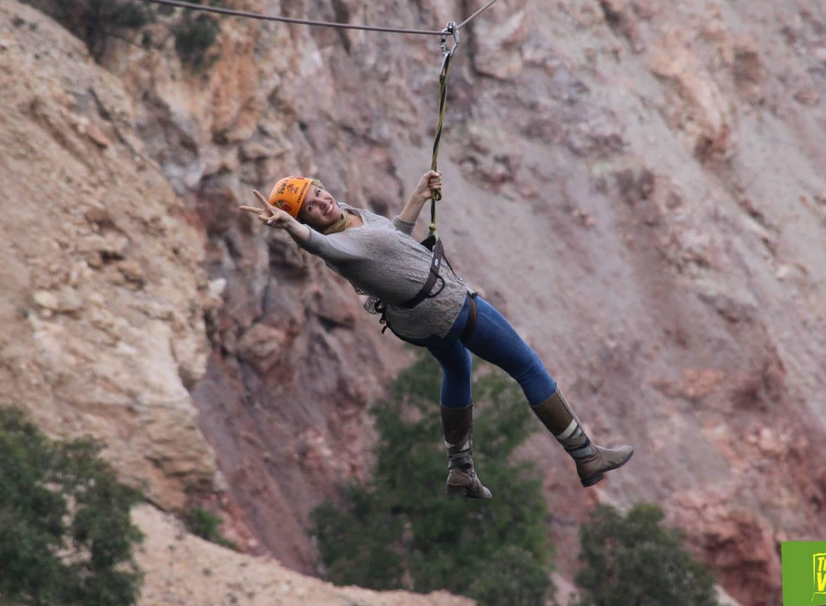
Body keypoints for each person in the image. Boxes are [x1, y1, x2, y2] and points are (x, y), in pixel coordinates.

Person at [239, 171, 633, 499]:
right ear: (307, 221)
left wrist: (418, 195)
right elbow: (317, 245)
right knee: (526, 367)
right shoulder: (335, 245)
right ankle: (586, 455)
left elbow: (392, 238)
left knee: (458, 370)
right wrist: (290, 226)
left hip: (417, 320)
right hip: (445, 304)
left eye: (318, 193)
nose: (323, 202)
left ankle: (461, 470)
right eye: (311, 207)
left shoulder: (350, 215)